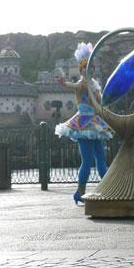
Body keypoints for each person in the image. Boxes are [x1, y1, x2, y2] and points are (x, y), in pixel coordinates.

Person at [55, 42, 113, 204]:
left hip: (95, 122)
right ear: (81, 70)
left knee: (101, 159)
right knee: (87, 160)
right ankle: (80, 192)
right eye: (86, 68)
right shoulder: (82, 83)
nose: (89, 70)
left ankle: (108, 189)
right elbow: (73, 85)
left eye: (91, 68)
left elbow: (100, 104)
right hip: (82, 123)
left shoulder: (94, 85)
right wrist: (63, 83)